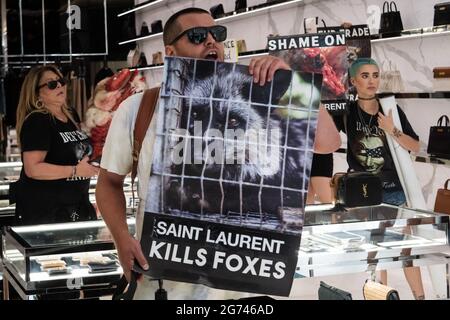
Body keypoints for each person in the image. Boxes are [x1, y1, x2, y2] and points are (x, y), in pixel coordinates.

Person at [96, 7, 341, 299]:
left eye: (218, 34)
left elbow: (329, 142)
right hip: (164, 281)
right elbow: (108, 182)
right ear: (170, 51)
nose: (211, 41)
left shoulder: (258, 93)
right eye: (197, 36)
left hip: (239, 285)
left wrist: (292, 80)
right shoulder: (139, 109)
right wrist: (121, 239)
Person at [334, 57, 425, 299]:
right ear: (354, 81)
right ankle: (382, 296)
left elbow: (414, 146)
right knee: (375, 252)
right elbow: (324, 137)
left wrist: (391, 129)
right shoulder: (346, 111)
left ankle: (420, 297)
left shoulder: (390, 109)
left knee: (406, 250)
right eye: (365, 76)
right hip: (363, 192)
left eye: (375, 75)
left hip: (394, 188)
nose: (372, 80)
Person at [14, 65, 99, 225]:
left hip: (77, 208)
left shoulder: (71, 115)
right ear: (37, 93)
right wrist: (75, 171)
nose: (59, 85)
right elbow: (33, 169)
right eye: (51, 84)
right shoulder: (38, 120)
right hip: (47, 213)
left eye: (60, 81)